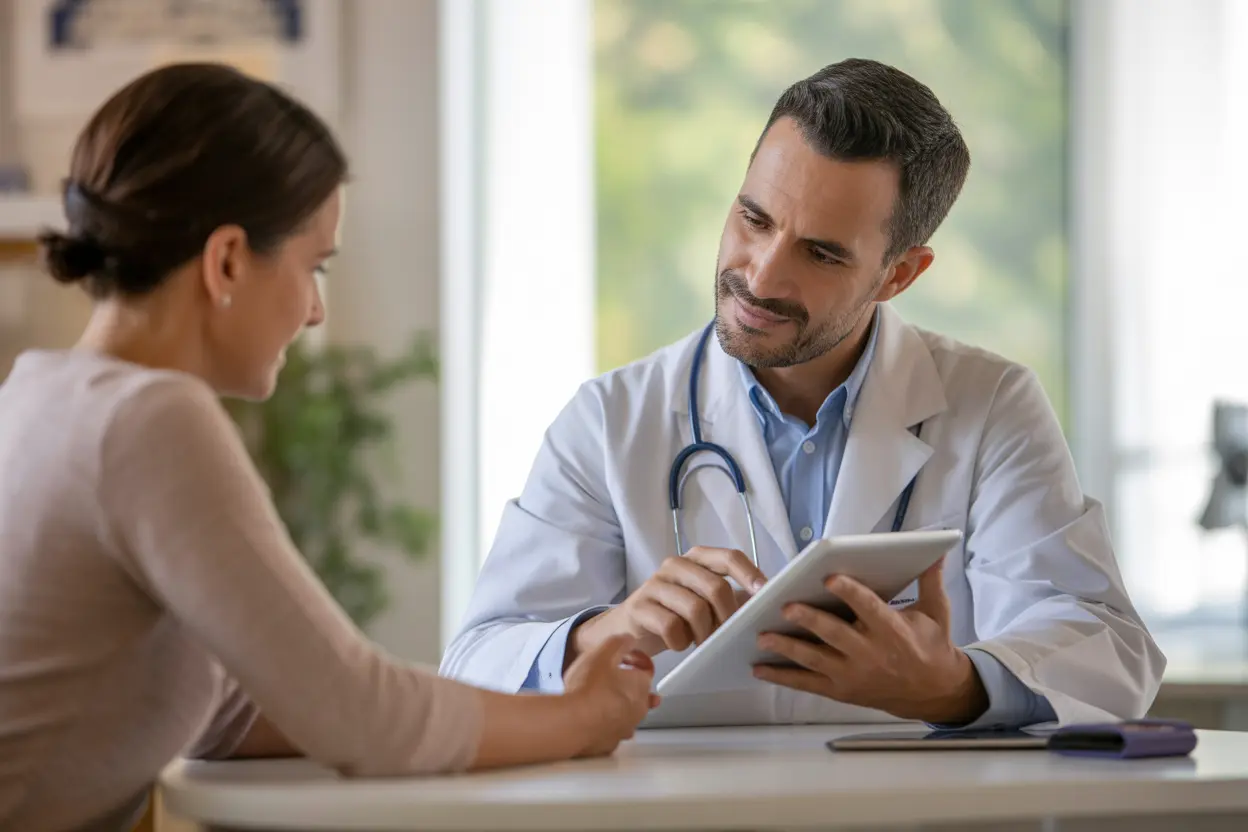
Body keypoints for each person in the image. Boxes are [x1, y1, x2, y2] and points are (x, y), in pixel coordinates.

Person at [0, 63, 656, 832]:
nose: (315, 311)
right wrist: (582, 718)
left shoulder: (41, 396)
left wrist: (540, 703)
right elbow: (362, 716)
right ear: (229, 262)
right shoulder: (148, 420)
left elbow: (250, 708)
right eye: (313, 267)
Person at [440, 58, 1165, 729]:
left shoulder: (991, 406)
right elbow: (473, 662)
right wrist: (605, 631)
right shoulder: (609, 421)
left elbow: (1105, 649)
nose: (759, 276)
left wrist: (952, 684)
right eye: (754, 219)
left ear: (899, 275)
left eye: (820, 253)